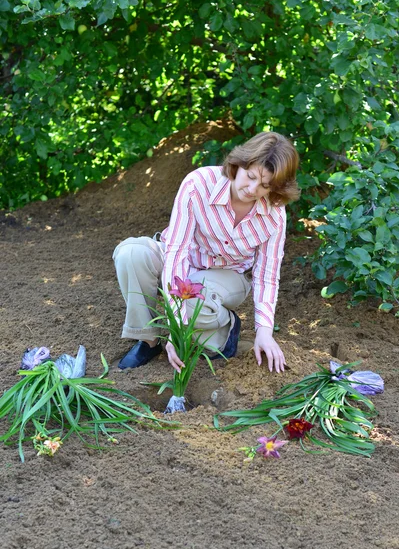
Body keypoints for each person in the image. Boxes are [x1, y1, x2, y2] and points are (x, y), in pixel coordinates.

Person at [113, 131, 300, 374]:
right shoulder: (198, 184)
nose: (252, 189)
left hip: (227, 275)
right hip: (183, 259)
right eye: (250, 176)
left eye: (265, 185)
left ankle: (226, 330)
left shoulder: (274, 214)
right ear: (238, 164)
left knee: (192, 301)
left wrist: (264, 332)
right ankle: (148, 341)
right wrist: (177, 327)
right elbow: (177, 252)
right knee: (131, 253)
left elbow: (267, 275)